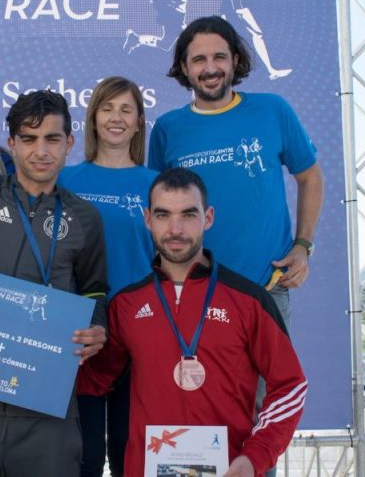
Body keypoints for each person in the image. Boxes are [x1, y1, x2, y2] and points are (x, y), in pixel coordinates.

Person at [149, 14, 323, 477]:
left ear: (236, 60)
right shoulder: (167, 129)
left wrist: (303, 244)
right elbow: (159, 205)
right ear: (184, 68)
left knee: (262, 416)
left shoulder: (272, 110)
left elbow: (310, 177)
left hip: (264, 292)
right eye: (198, 59)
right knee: (191, 407)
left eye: (219, 57)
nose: (210, 67)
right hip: (190, 294)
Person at [78, 168, 307, 477]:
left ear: (208, 218)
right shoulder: (127, 305)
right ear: (147, 219)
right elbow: (93, 380)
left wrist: (255, 457)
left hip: (229, 470)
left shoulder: (249, 301)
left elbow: (290, 386)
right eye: (163, 215)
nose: (175, 229)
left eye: (188, 215)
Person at [0, 90, 109, 477]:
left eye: (52, 138)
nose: (40, 150)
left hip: (48, 400)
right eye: (28, 139)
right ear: (10, 143)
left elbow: (95, 288)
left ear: (69, 144)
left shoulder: (84, 217)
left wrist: (99, 326)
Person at [59, 77, 158, 477]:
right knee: (81, 457)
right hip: (79, 333)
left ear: (138, 123)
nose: (116, 118)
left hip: (140, 333)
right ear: (93, 119)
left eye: (126, 110)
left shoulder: (155, 184)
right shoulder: (65, 180)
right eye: (107, 108)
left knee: (129, 450)